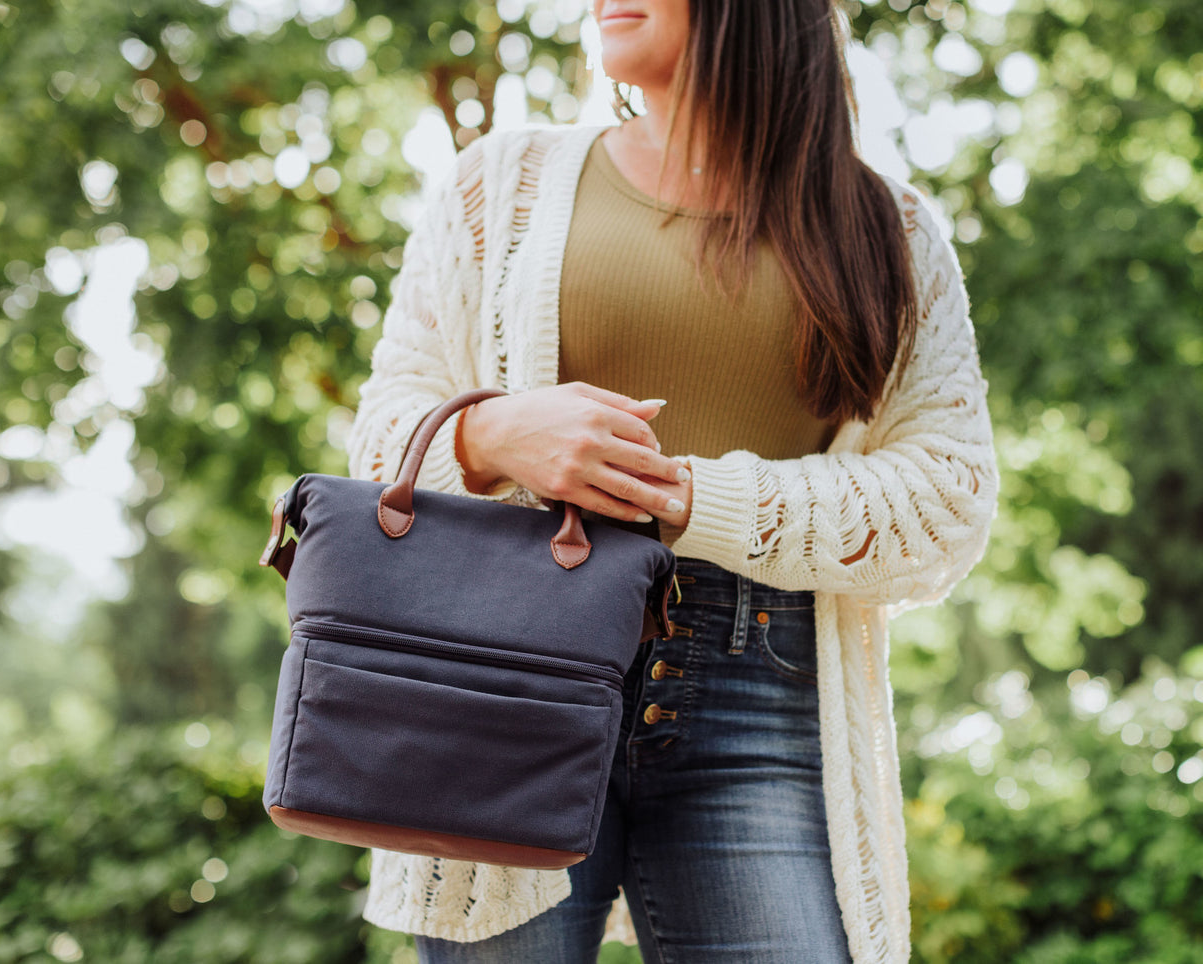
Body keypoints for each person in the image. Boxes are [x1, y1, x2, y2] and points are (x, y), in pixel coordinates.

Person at [344, 0, 999, 961]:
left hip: (761, 699)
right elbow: (378, 447)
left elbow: (946, 500)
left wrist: (687, 499)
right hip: (507, 683)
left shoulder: (884, 229)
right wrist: (492, 435)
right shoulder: (499, 184)